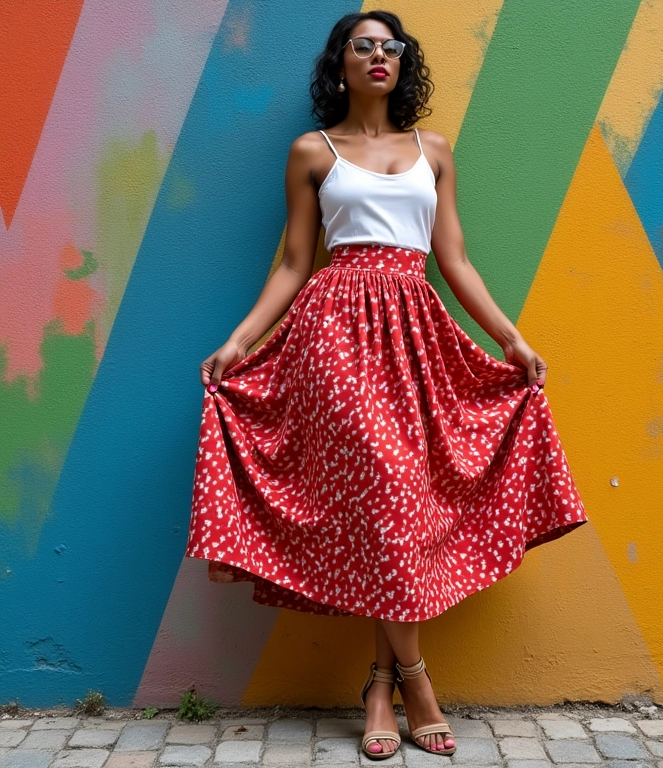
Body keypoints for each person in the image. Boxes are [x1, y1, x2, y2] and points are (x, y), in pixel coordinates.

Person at [186, 10, 588, 761]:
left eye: (390, 46)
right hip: (334, 336)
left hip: (415, 335)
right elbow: (293, 261)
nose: (379, 56)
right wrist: (240, 342)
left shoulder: (433, 150)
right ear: (341, 63)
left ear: (404, 63)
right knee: (386, 494)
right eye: (363, 46)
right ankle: (417, 680)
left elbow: (455, 258)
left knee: (393, 509)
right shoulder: (312, 150)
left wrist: (510, 337)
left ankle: (379, 683)